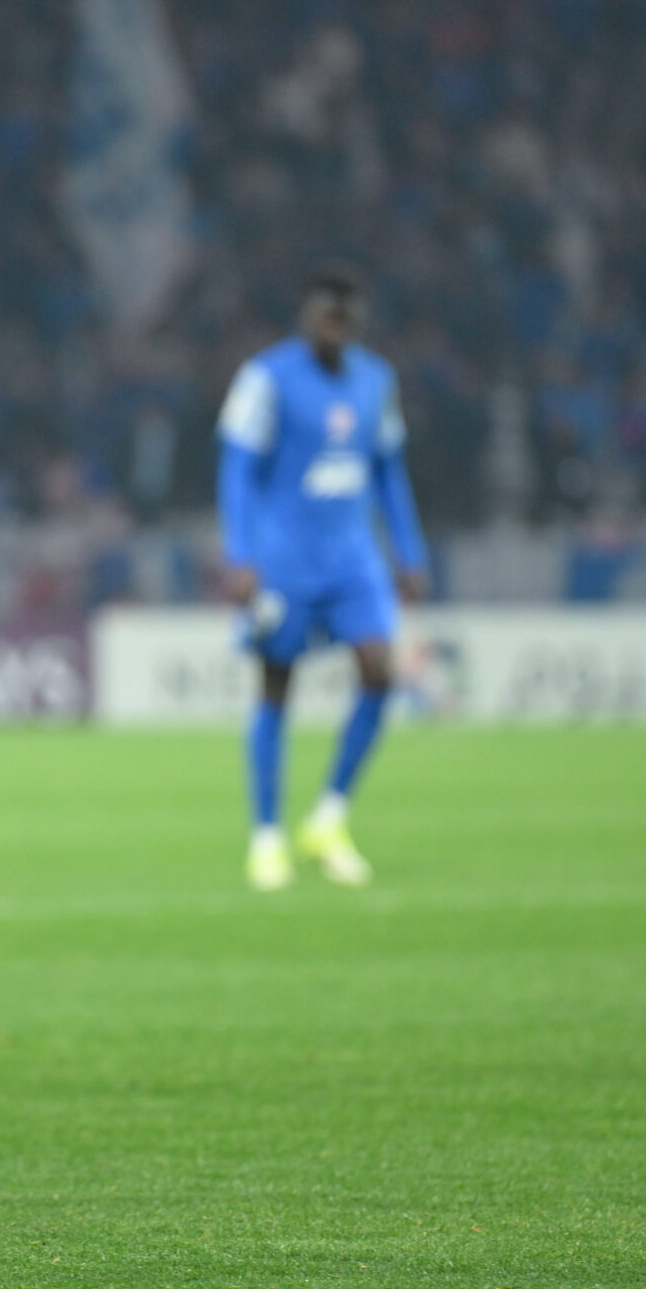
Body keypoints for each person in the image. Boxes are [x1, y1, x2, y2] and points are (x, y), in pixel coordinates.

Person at [217, 268, 428, 891]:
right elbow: (237, 468)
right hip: (284, 558)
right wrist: (241, 554)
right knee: (276, 686)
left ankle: (329, 818)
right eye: (324, 316)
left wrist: (408, 551)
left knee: (379, 671)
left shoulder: (376, 381)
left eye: (343, 318)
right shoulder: (266, 378)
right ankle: (266, 837)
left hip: (353, 557)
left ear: (356, 321)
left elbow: (388, 471)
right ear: (306, 316)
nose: (333, 327)